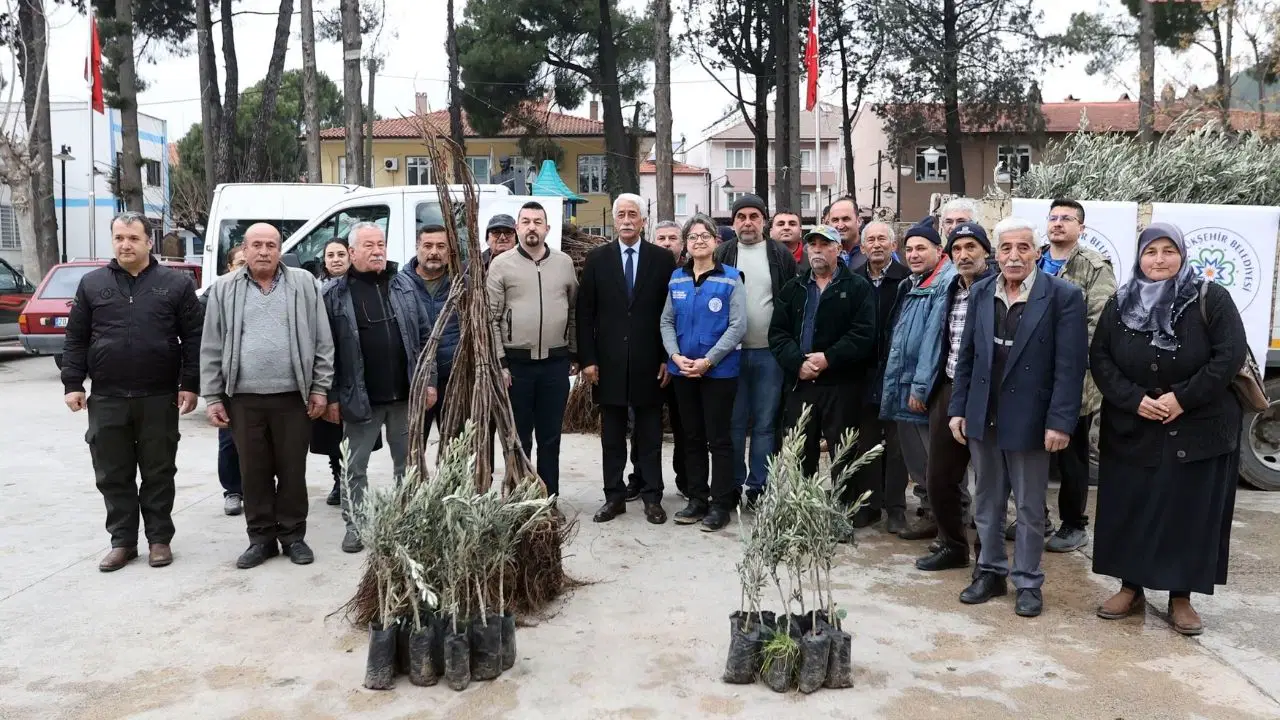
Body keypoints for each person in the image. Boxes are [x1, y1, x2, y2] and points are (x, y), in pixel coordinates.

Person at [1090, 223, 1246, 636]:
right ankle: (1130, 586)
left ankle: (1182, 596)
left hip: (1197, 426)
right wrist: (1134, 398)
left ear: (1182, 254)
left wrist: (1182, 398)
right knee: (1131, 507)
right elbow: (1101, 358)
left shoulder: (1211, 298)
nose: (1159, 259)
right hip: (1134, 424)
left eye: (1167, 251)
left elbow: (1227, 357)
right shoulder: (1120, 303)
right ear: (1139, 258)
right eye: (1150, 252)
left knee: (1189, 512)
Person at [948, 217, 1086, 618]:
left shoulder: (1063, 296)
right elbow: (967, 358)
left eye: (1023, 248)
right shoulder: (980, 294)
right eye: (1006, 248)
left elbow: (1070, 367)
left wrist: (1061, 422)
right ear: (996, 254)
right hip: (983, 416)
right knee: (986, 502)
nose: (1013, 256)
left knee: (1028, 507)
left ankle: (1027, 580)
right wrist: (959, 408)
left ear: (1037, 253)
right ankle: (990, 572)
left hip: (1031, 419)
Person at [63, 211, 203, 572]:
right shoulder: (92, 284)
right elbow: (76, 337)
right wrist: (73, 383)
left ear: (149, 242)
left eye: (133, 238)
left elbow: (193, 338)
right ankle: (123, 542)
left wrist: (190, 384)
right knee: (112, 473)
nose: (126, 244)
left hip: (158, 396)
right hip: (107, 396)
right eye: (119, 238)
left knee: (158, 470)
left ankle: (159, 539)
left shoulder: (175, 284)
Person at [201, 222, 335, 569]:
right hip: (244, 399)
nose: (264, 251)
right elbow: (212, 345)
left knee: (292, 470)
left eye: (271, 245)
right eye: (256, 245)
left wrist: (320, 387)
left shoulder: (304, 284)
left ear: (280, 249)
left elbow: (322, 339)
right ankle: (260, 539)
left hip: (293, 397)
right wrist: (213, 396)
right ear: (243, 250)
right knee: (253, 472)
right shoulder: (224, 288)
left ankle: (293, 536)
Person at [323, 222, 436, 554]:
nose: (377, 251)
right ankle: (355, 525)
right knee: (354, 467)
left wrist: (428, 382)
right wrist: (330, 397)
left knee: (408, 464)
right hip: (360, 399)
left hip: (404, 396)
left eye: (381, 244)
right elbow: (324, 351)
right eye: (368, 245)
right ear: (352, 252)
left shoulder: (404, 285)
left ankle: (406, 521)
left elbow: (426, 337)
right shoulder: (333, 295)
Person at [578, 193, 677, 524]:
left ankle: (652, 497)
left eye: (633, 214)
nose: (626, 220)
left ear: (643, 221)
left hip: (651, 362)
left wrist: (667, 357)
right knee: (612, 438)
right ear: (614, 219)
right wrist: (588, 359)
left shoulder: (662, 260)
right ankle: (614, 497)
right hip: (609, 364)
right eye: (621, 214)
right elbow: (584, 313)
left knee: (649, 436)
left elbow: (669, 313)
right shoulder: (597, 259)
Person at [1035, 198, 1116, 553]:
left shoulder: (1094, 267)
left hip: (1074, 381)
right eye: (1053, 218)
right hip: (1030, 377)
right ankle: (1036, 517)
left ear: (1081, 228)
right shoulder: (1033, 259)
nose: (1058, 223)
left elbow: (1100, 322)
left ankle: (1073, 524)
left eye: (1067, 218)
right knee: (1031, 453)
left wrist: (1062, 358)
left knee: (1071, 457)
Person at [769, 226, 875, 489]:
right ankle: (804, 510)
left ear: (838, 249)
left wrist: (828, 358)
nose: (817, 249)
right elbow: (778, 333)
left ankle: (844, 513)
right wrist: (798, 363)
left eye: (825, 244)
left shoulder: (858, 287)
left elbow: (863, 334)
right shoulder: (793, 288)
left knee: (844, 453)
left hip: (841, 385)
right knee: (800, 454)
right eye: (812, 244)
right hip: (801, 384)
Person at [661, 213, 747, 532]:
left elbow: (738, 326)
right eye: (693, 236)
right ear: (686, 244)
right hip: (683, 372)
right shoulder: (676, 279)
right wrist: (675, 356)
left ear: (716, 242)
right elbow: (666, 321)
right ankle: (697, 498)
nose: (699, 241)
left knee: (719, 439)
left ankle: (721, 503)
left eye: (705, 236)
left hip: (719, 373)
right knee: (692, 438)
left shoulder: (731, 278)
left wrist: (708, 360)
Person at [487, 201, 578, 498]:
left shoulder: (563, 263)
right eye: (525, 221)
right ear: (517, 228)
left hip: (554, 364)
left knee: (551, 439)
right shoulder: (501, 265)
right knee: (519, 438)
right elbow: (492, 317)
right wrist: (501, 363)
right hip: (516, 366)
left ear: (547, 228)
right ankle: (520, 498)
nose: (531, 227)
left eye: (537, 222)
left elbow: (574, 310)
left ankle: (549, 498)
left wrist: (573, 352)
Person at [916, 221, 992, 572]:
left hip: (989, 394)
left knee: (990, 481)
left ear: (985, 252)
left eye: (971, 248)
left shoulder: (997, 289)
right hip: (947, 388)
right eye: (957, 249)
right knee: (939, 477)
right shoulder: (948, 289)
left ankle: (988, 559)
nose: (963, 255)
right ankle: (953, 546)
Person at [713, 193, 797, 509]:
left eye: (754, 216)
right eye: (741, 217)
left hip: (769, 354)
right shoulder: (723, 254)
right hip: (729, 356)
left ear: (764, 220)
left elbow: (791, 302)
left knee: (764, 424)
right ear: (733, 222)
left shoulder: (779, 255)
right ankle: (732, 483)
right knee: (734, 423)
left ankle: (758, 486)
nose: (747, 222)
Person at [879, 223, 955, 539]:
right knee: (918, 459)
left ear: (939, 251)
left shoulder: (944, 282)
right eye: (909, 249)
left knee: (936, 460)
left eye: (921, 248)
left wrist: (920, 386)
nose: (913, 254)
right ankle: (931, 515)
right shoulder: (914, 282)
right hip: (905, 383)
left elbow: (933, 339)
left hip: (921, 388)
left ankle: (950, 527)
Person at [847, 221, 910, 531]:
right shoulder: (853, 280)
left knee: (897, 445)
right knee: (866, 442)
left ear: (893, 245)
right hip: (863, 374)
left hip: (896, 374)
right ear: (862, 247)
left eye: (882, 239)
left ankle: (896, 508)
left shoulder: (907, 280)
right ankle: (869, 505)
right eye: (870, 240)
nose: (876, 245)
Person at [629, 220, 688, 498]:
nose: (667, 243)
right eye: (661, 237)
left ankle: (686, 479)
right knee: (642, 423)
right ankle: (639, 477)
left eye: (673, 238)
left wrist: (672, 357)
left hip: (684, 360)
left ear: (683, 243)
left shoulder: (692, 271)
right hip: (649, 360)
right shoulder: (645, 268)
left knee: (684, 424)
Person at [403, 225, 461, 438]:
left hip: (452, 377)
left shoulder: (461, 282)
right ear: (417, 247)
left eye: (441, 246)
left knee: (455, 445)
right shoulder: (401, 284)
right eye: (427, 246)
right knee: (414, 444)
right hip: (415, 378)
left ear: (449, 250)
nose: (434, 252)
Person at [314, 239, 352, 507]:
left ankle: (353, 479)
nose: (336, 259)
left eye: (341, 254)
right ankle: (339, 480)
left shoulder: (360, 288)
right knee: (332, 435)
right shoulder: (316, 291)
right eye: (330, 255)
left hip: (355, 374)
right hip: (327, 372)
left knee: (356, 434)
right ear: (324, 261)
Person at [216, 244, 247, 517]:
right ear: (229, 267)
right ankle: (233, 491)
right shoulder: (218, 294)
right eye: (239, 263)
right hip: (229, 383)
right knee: (229, 441)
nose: (244, 267)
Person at [827, 197, 865, 271]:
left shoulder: (872, 248)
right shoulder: (818, 250)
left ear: (859, 221)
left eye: (846, 219)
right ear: (828, 223)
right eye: (835, 220)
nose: (840, 226)